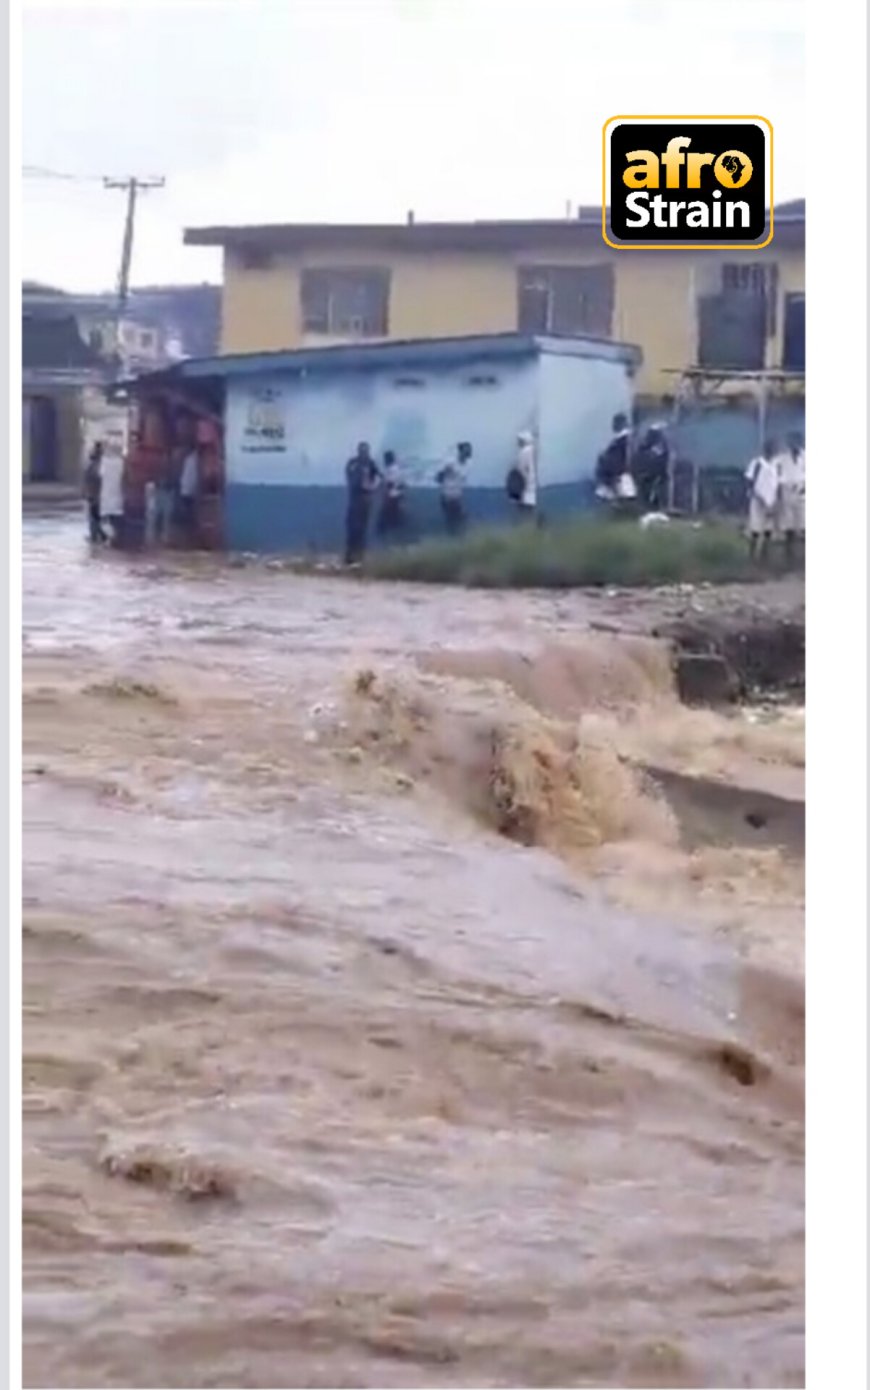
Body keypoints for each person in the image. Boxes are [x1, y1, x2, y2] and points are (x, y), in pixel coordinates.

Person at [344, 441, 381, 565]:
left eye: (366, 451)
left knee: (362, 529)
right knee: (351, 528)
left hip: (365, 500)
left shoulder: (371, 463)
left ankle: (360, 556)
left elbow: (379, 477)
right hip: (354, 499)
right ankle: (349, 556)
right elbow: (349, 476)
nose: (364, 453)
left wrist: (372, 486)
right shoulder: (353, 463)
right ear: (358, 451)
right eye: (362, 450)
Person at [745, 438, 780, 564]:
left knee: (768, 529)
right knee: (755, 528)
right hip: (758, 500)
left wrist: (775, 501)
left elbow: (777, 483)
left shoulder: (776, 464)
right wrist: (757, 497)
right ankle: (752, 556)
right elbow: (749, 481)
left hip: (771, 501)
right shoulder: (757, 463)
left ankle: (765, 557)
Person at [776, 431, 805, 567]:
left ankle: (803, 557)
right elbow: (775, 472)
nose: (794, 444)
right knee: (788, 524)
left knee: (803, 523)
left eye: (797, 441)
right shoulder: (782, 458)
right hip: (787, 489)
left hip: (802, 490)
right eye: (791, 442)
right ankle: (789, 556)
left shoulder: (806, 457)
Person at [436, 441, 471, 536]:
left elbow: (462, 481)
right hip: (447, 496)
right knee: (453, 521)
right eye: (466, 450)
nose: (469, 452)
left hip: (457, 497)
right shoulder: (451, 463)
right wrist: (445, 473)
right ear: (461, 451)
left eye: (470, 450)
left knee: (460, 521)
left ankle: (456, 539)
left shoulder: (467, 465)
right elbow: (438, 478)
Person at [595, 413, 633, 500]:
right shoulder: (631, 438)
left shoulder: (621, 441)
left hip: (621, 473)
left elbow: (616, 459)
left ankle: (607, 490)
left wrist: (603, 458)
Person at [634, 423, 670, 512]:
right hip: (648, 477)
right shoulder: (645, 447)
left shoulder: (662, 447)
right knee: (648, 495)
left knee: (656, 496)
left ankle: (656, 509)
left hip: (658, 476)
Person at [98, 440, 125, 548]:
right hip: (117, 493)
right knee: (115, 518)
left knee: (104, 518)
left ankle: (110, 537)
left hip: (106, 493)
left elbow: (100, 475)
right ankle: (114, 538)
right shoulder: (121, 462)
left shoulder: (105, 461)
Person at [376, 450, 408, 541]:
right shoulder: (396, 469)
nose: (384, 461)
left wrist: (382, 485)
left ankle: (391, 540)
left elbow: (390, 484)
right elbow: (403, 484)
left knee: (385, 521)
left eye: (385, 459)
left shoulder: (392, 469)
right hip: (396, 496)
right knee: (394, 520)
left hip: (393, 497)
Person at [510, 430, 538, 522]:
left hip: (524, 486)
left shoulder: (524, 452)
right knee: (530, 511)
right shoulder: (532, 450)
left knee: (523, 513)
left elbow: (521, 470)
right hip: (531, 485)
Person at [83, 441, 106, 544]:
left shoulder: (95, 465)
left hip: (94, 494)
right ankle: (99, 535)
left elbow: (94, 479)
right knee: (95, 515)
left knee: (94, 515)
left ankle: (97, 536)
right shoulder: (98, 464)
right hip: (95, 493)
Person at [178, 444, 199, 542]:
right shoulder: (194, 460)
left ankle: (188, 537)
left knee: (188, 516)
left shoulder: (190, 459)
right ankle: (190, 537)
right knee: (190, 516)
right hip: (189, 492)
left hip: (186, 490)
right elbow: (192, 477)